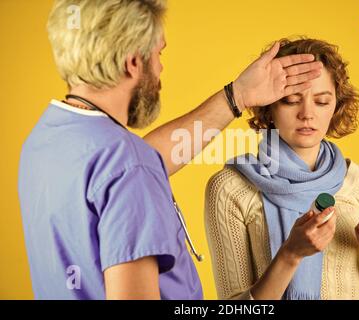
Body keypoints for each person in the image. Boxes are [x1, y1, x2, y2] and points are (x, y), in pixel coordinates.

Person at [18, 1, 323, 300]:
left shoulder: (46, 139)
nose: (161, 65)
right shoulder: (129, 166)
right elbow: (133, 169)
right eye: (158, 52)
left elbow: (138, 163)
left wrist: (239, 95)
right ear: (133, 61)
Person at [205, 37, 359, 300]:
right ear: (269, 106)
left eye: (321, 101)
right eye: (290, 100)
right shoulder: (231, 188)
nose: (307, 113)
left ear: (336, 106)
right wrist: (290, 254)